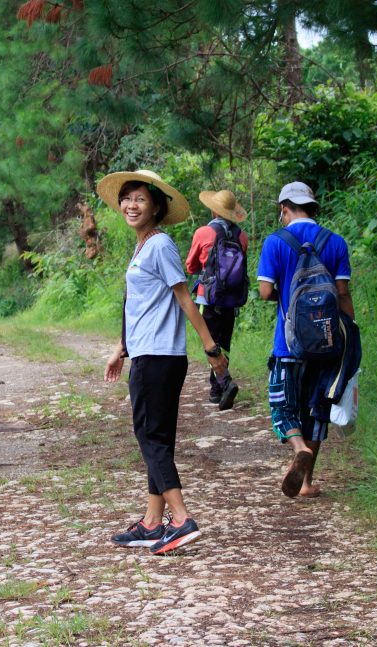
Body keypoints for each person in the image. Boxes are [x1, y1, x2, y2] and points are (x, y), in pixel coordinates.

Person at [98, 169, 228, 555]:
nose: (131, 205)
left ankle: (181, 518)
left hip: (159, 356)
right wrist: (121, 348)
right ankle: (153, 521)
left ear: (156, 206)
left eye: (140, 198)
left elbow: (184, 297)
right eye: (126, 198)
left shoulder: (160, 245)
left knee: (149, 436)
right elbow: (137, 305)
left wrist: (211, 348)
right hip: (146, 352)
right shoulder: (142, 247)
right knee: (157, 438)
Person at [257, 182, 355, 498]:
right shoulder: (336, 242)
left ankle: (299, 448)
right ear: (312, 207)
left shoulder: (275, 242)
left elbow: (265, 291)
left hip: (288, 343)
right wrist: (350, 335)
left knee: (283, 404)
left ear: (285, 208)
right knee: (317, 409)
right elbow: (342, 293)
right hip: (328, 343)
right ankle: (308, 483)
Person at [186, 189, 249, 410]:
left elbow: (191, 266)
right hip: (232, 299)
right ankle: (218, 388)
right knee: (225, 343)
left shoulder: (203, 233)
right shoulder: (242, 236)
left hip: (208, 298)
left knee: (210, 343)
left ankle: (223, 383)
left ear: (214, 210)